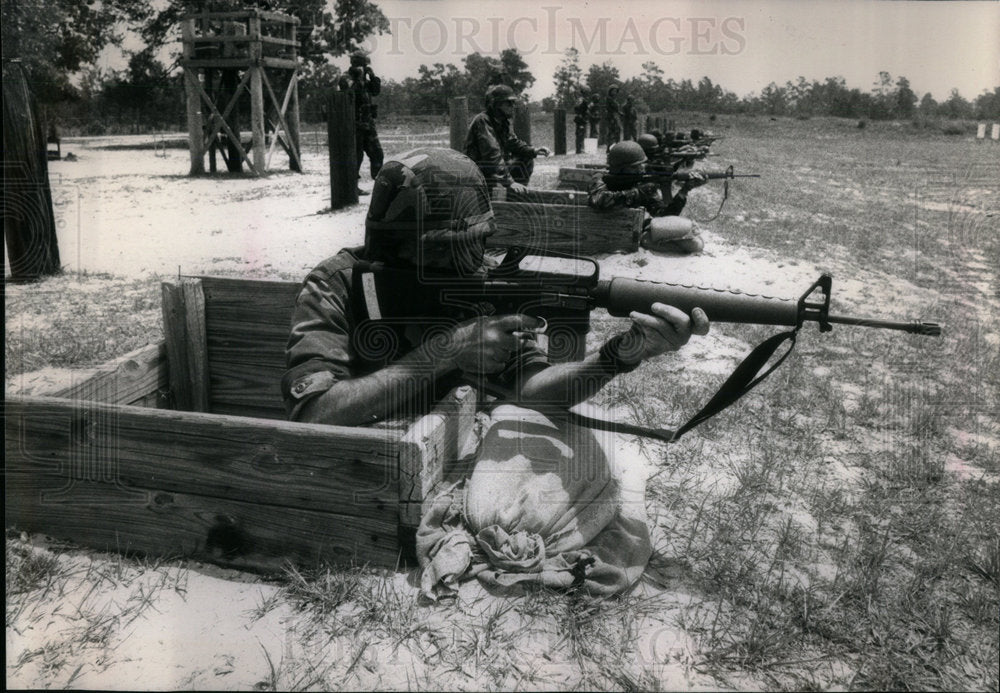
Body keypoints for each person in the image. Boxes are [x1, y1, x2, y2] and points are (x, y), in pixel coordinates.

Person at [283, 147, 709, 595]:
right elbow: (312, 415)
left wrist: (618, 357)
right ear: (396, 241)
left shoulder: (482, 285)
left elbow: (537, 390)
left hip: (452, 452)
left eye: (477, 241)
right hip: (358, 480)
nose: (473, 258)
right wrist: (446, 352)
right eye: (450, 247)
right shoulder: (339, 285)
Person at [588, 140, 708, 254]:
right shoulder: (600, 178)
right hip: (603, 233)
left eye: (641, 165)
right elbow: (599, 200)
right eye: (635, 167)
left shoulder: (643, 184)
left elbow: (663, 216)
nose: (641, 170)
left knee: (694, 243)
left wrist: (684, 191)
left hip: (635, 232)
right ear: (620, 168)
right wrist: (637, 193)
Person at [464, 84, 550, 196]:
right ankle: (506, 194)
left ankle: (515, 195)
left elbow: (513, 143)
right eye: (508, 103)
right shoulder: (483, 121)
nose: (512, 106)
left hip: (490, 169)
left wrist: (534, 151)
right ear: (496, 104)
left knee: (526, 157)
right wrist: (510, 182)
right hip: (477, 171)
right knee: (503, 168)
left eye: (513, 103)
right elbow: (492, 155)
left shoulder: (502, 122)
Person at [337, 51, 384, 195]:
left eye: (365, 65)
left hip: (368, 124)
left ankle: (379, 183)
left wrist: (372, 76)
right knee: (355, 156)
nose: (363, 67)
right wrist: (357, 78)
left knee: (377, 153)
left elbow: (375, 91)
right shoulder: (346, 78)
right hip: (353, 124)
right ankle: (352, 188)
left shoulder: (365, 80)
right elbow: (350, 91)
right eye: (361, 65)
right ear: (354, 65)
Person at [573, 88, 590, 154]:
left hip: (582, 119)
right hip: (581, 119)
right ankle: (579, 149)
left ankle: (580, 149)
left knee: (581, 134)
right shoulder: (582, 101)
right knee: (580, 134)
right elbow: (579, 109)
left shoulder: (580, 100)